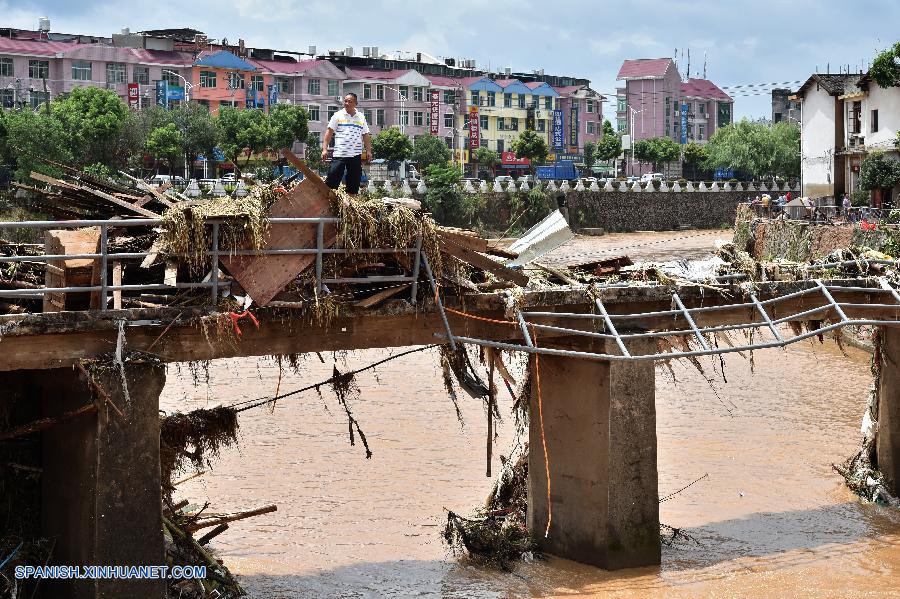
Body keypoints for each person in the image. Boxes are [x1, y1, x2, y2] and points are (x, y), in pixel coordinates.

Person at [321, 93, 372, 195]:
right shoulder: (337, 115)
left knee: (354, 183)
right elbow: (329, 132)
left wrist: (369, 151)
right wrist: (324, 149)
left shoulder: (361, 117)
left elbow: (365, 135)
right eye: (346, 101)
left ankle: (349, 205)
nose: (347, 103)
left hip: (355, 155)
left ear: (356, 103)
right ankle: (328, 202)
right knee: (332, 179)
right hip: (340, 154)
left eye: (350, 101)